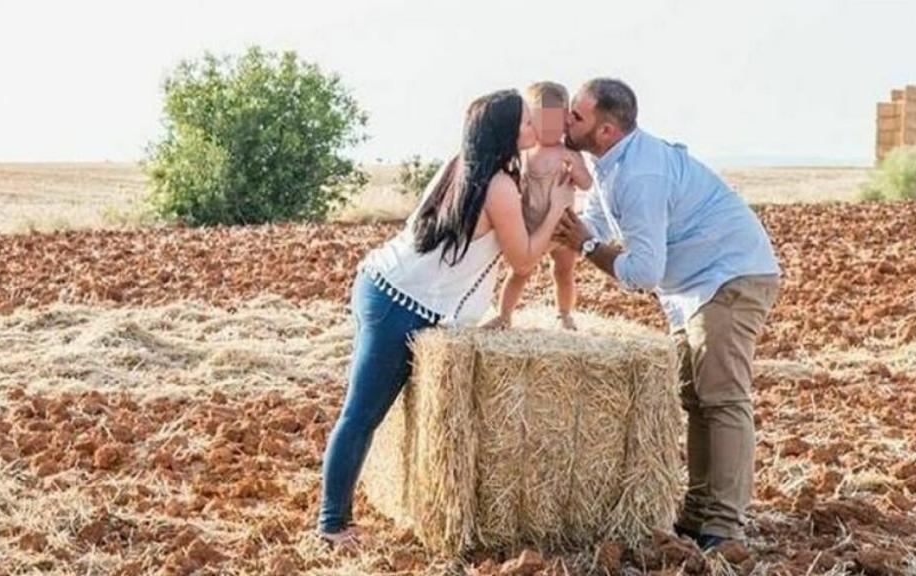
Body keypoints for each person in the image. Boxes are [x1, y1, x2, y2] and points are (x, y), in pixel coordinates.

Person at [318, 89, 575, 550]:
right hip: (402, 303)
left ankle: (337, 518)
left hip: (383, 286)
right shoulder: (497, 186)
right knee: (362, 414)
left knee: (364, 412)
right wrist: (557, 206)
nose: (535, 127)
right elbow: (522, 261)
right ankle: (332, 526)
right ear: (506, 133)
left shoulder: (463, 164)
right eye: (526, 123)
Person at [553, 78, 781, 550]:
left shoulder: (640, 175)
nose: (566, 121)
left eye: (576, 115)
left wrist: (588, 246)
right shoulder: (611, 167)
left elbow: (640, 270)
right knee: (696, 397)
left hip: (728, 276)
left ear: (607, 130)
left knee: (722, 398)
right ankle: (699, 516)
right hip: (692, 286)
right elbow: (592, 218)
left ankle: (724, 527)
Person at [483, 81, 592, 330]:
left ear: (566, 119)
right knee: (520, 272)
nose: (550, 129)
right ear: (530, 121)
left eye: (556, 121)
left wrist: (577, 172)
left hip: (564, 228)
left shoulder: (570, 155)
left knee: (563, 271)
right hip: (530, 226)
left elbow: (586, 184)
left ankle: (564, 314)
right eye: (542, 122)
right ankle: (504, 315)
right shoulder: (526, 154)